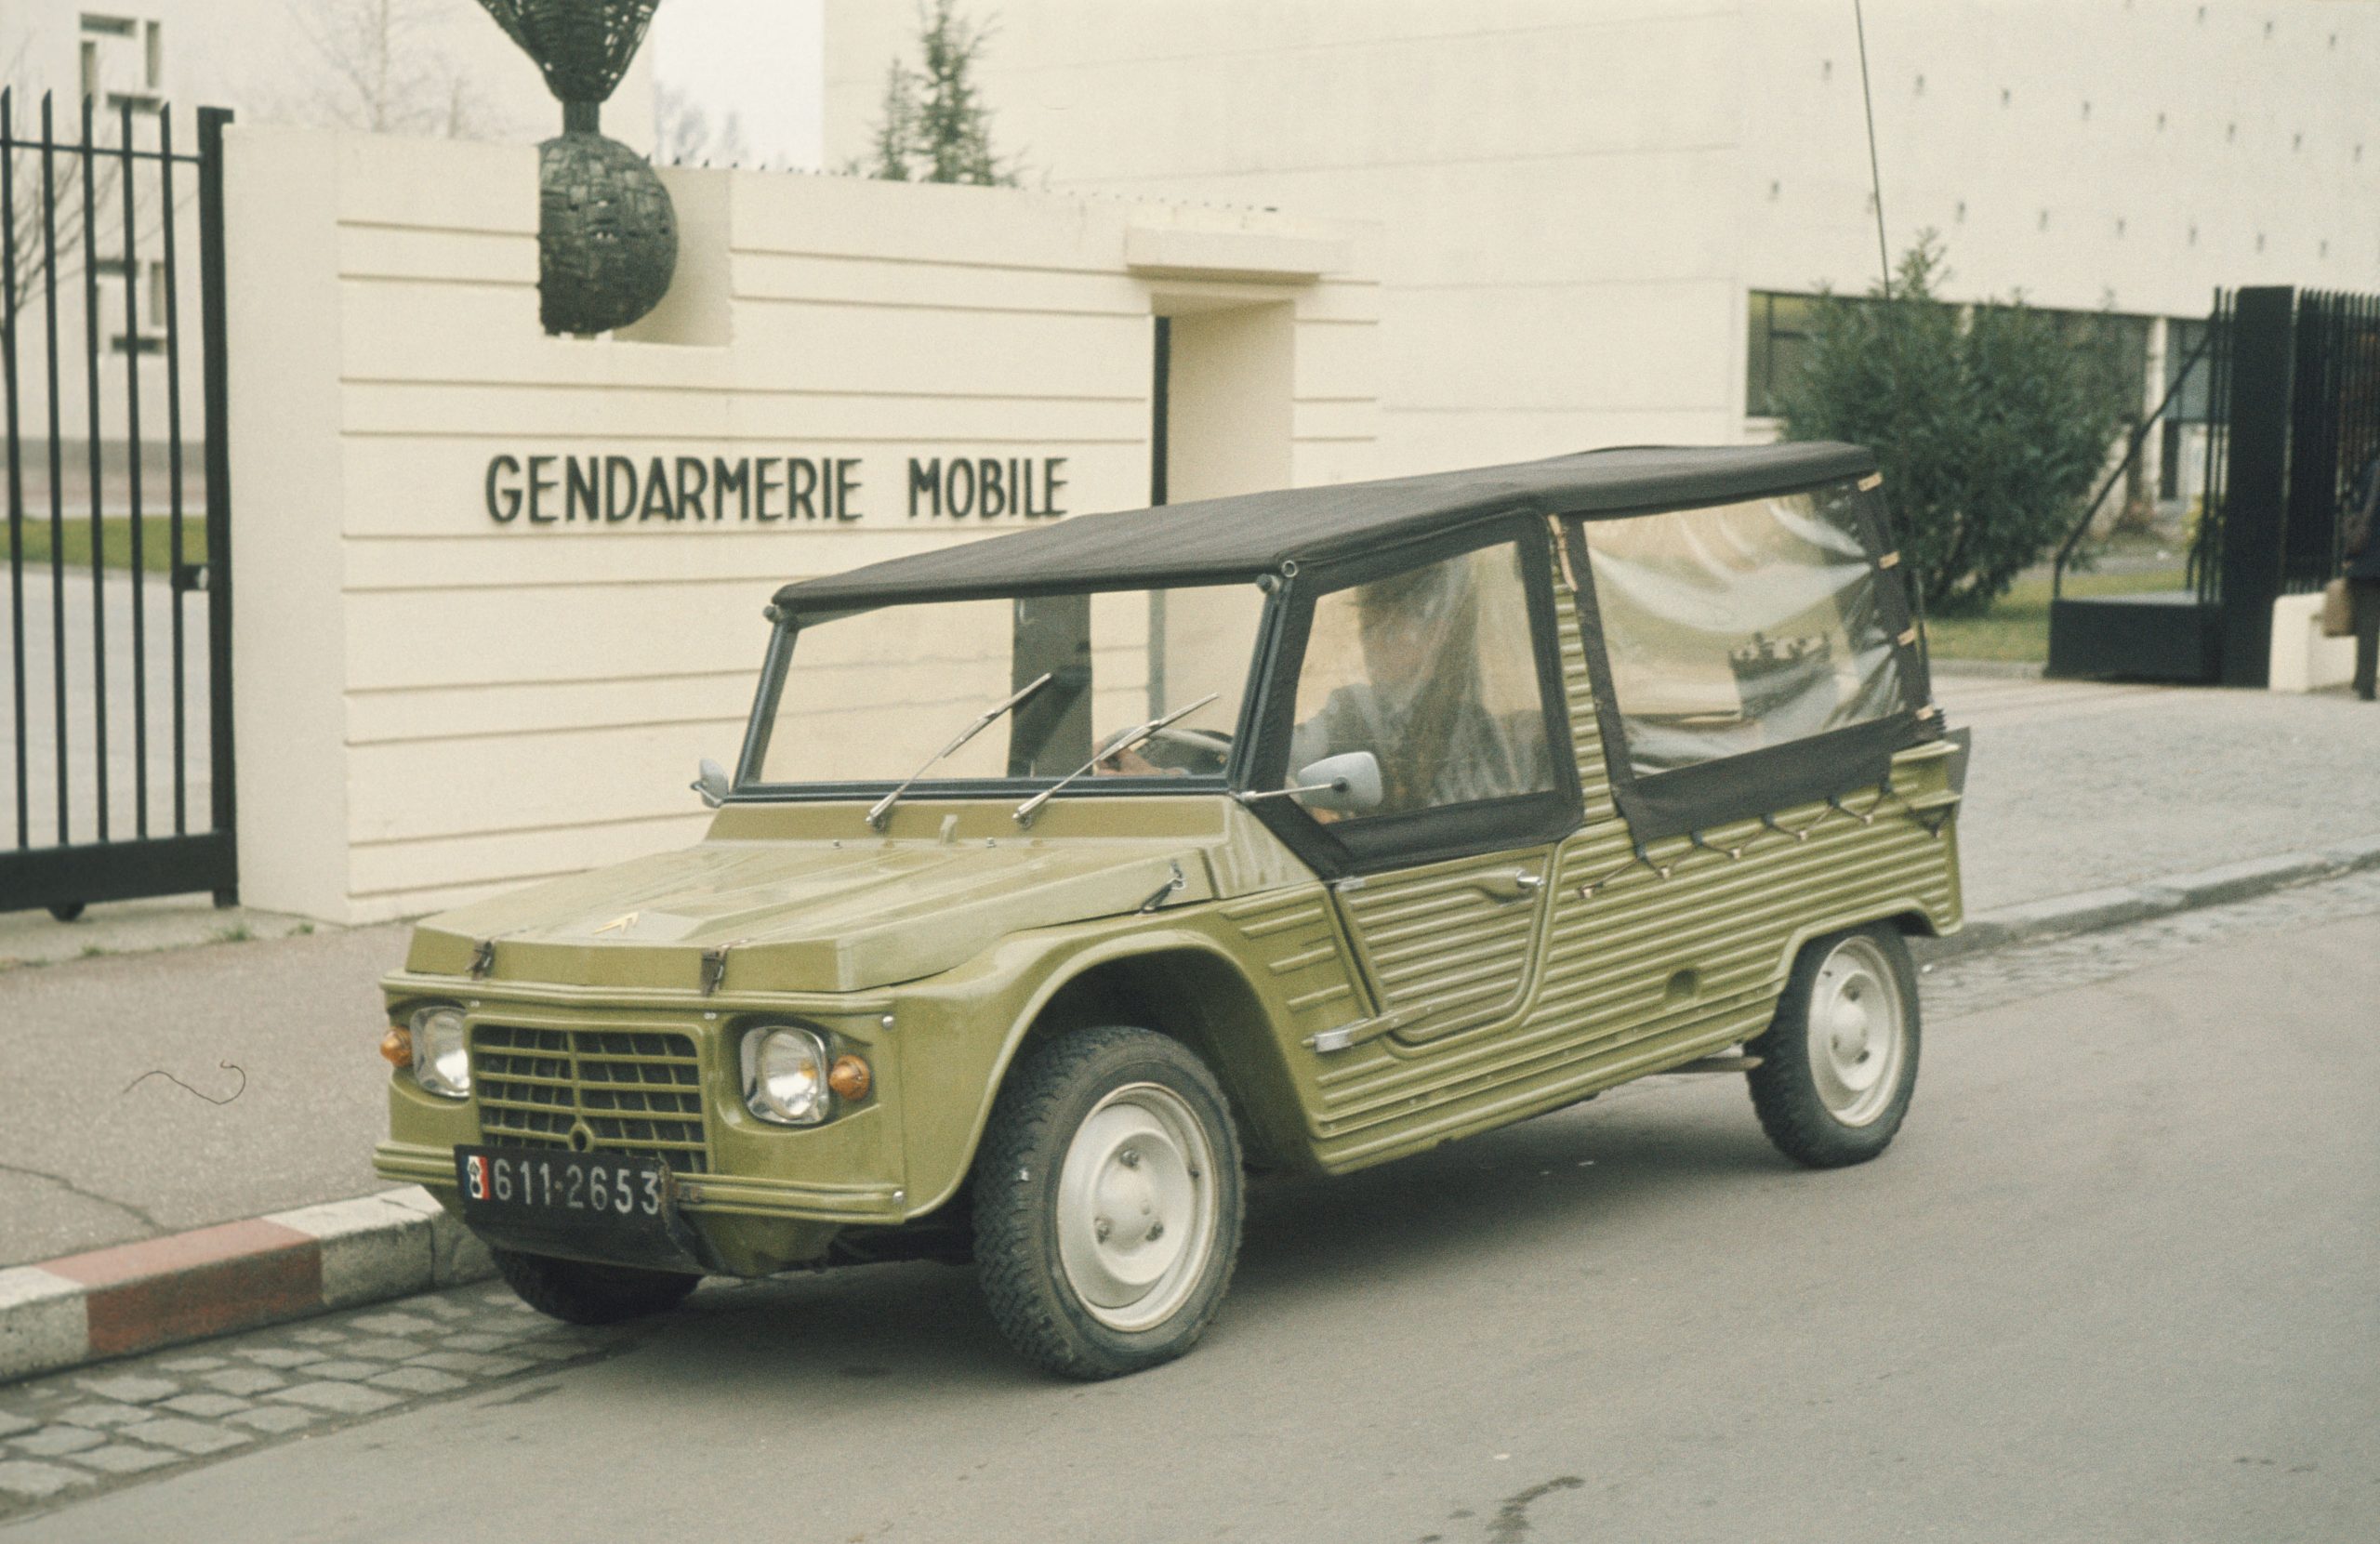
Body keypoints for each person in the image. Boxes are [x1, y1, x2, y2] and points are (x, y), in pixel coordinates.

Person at [1288, 553, 1552, 814]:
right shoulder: (1349, 713)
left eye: (1390, 624)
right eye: (1368, 625)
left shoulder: (1483, 740)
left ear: (1439, 629)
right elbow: (1286, 763)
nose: (1374, 641)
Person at [2347, 449, 2380, 703]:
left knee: (2368, 626)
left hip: (2367, 563)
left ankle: (2365, 683)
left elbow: (2356, 512)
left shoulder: (2372, 470)